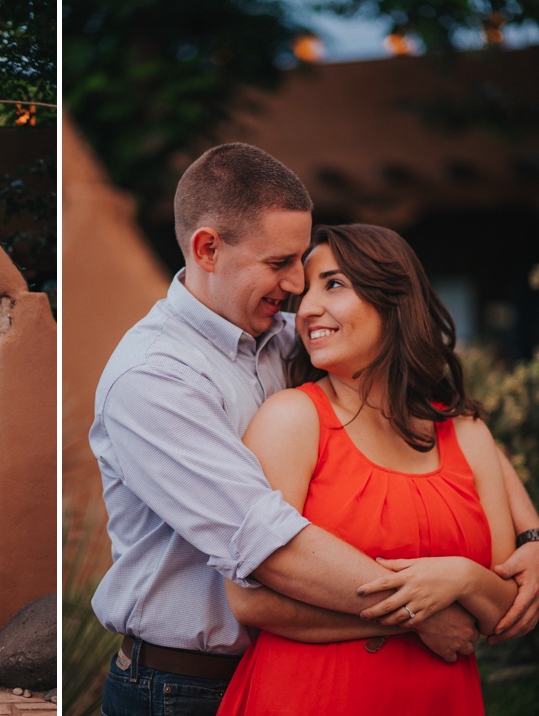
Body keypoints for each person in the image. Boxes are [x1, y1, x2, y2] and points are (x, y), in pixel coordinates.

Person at [90, 143, 539, 715]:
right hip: (180, 686)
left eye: (303, 261)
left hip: (299, 661)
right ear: (207, 248)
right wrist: (426, 609)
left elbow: (445, 426)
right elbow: (269, 546)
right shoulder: (153, 378)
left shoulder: (289, 337)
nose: (299, 284)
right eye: (280, 263)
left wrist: (531, 537)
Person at [217, 224, 517, 715]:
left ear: (395, 301)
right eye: (306, 291)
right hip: (312, 696)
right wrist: (420, 614)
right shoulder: (293, 418)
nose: (307, 308)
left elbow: (504, 609)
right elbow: (251, 602)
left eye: (333, 284)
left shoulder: (464, 432)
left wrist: (462, 577)